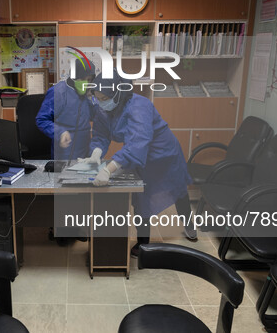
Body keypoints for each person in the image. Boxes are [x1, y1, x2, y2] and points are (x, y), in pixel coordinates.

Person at [81, 74, 194, 255]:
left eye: (104, 98)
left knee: (178, 189)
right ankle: (143, 244)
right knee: (142, 198)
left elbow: (137, 143)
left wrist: (109, 169)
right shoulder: (105, 108)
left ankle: (190, 225)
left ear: (118, 93)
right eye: (98, 98)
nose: (101, 103)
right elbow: (101, 134)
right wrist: (96, 153)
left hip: (163, 154)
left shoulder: (139, 106)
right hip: (140, 156)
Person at [36, 60, 96, 161]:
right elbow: (41, 119)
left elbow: (95, 115)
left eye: (89, 79)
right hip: (65, 149)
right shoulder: (59, 92)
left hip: (85, 147)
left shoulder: (89, 93)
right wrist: (60, 132)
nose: (86, 82)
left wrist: (92, 99)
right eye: (82, 78)